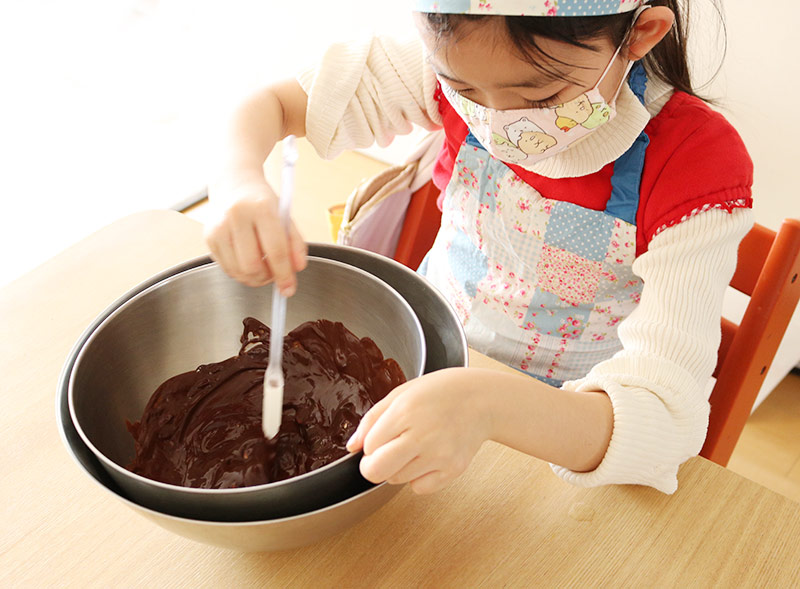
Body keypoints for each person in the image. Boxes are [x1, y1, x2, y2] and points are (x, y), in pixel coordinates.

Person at [204, 0, 753, 495]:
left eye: (539, 96)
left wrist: (487, 406)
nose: (496, 125)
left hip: (571, 432)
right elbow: (271, 104)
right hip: (432, 364)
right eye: (463, 91)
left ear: (641, 33)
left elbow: (666, 424)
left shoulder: (695, 163)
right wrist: (237, 180)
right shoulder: (439, 65)